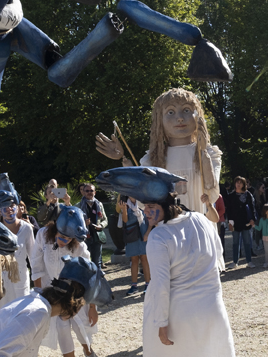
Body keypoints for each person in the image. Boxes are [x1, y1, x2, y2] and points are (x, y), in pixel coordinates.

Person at [136, 177, 236, 357]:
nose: (146, 212)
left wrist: (160, 322)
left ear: (164, 205)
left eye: (149, 207)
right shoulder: (202, 220)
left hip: (177, 309)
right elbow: (217, 260)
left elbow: (160, 284)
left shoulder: (158, 236)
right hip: (208, 306)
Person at [96, 88, 223, 224]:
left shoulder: (210, 153)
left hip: (199, 226)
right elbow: (144, 200)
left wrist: (203, 152)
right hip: (167, 229)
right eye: (170, 112)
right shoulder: (153, 159)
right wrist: (124, 161)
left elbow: (212, 192)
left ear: (198, 116)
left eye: (186, 110)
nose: (179, 117)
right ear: (159, 119)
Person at [29, 205, 101, 357]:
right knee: (62, 330)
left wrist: (92, 306)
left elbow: (90, 274)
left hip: (75, 292)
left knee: (79, 327)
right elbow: (36, 265)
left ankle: (89, 352)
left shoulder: (79, 246)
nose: (63, 241)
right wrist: (40, 295)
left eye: (68, 239)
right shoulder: (43, 235)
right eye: (61, 237)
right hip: (53, 292)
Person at [0, 184, 39, 311]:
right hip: (0, 280)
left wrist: (38, 281)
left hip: (21, 277)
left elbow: (33, 256)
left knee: (21, 312)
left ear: (18, 208)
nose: (9, 209)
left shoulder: (26, 228)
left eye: (12, 206)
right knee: (2, 313)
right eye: (4, 206)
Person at [117, 195, 150, 294]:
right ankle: (134, 285)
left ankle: (148, 284)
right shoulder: (124, 203)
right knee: (134, 260)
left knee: (145, 259)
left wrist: (147, 233)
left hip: (143, 234)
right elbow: (125, 221)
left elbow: (150, 220)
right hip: (132, 235)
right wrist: (124, 209)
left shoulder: (143, 202)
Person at [224, 176, 257, 268]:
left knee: (247, 243)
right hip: (235, 222)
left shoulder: (248, 195)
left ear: (244, 184)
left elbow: (252, 208)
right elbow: (229, 210)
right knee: (235, 243)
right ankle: (235, 262)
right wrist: (230, 222)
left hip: (246, 222)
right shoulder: (231, 196)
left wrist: (253, 219)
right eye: (237, 182)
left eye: (240, 183)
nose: (238, 184)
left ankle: (249, 261)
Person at [77, 183, 107, 272]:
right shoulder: (78, 206)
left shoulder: (99, 204)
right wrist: (83, 223)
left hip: (97, 236)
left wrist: (101, 225)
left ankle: (98, 283)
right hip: (84, 237)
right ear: (83, 192)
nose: (89, 192)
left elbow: (105, 219)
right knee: (84, 262)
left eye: (91, 191)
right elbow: (75, 224)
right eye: (87, 191)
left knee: (97, 262)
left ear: (95, 192)